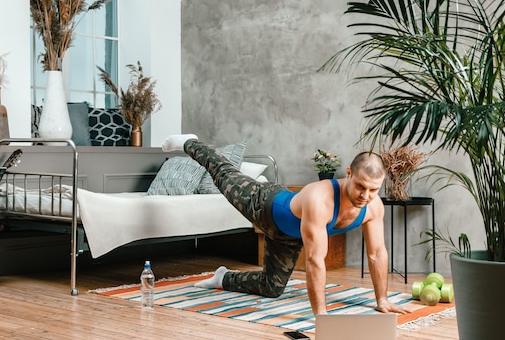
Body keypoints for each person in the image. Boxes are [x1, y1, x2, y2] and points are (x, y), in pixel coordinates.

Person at [162, 134, 410, 316]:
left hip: (287, 237)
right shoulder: (319, 198)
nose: (365, 195)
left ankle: (222, 278)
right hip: (263, 205)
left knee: (272, 288)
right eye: (360, 186)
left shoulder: (374, 207)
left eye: (373, 189)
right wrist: (321, 315)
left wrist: (382, 299)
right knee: (223, 173)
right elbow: (315, 260)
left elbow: (377, 253)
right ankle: (189, 142)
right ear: (348, 173)